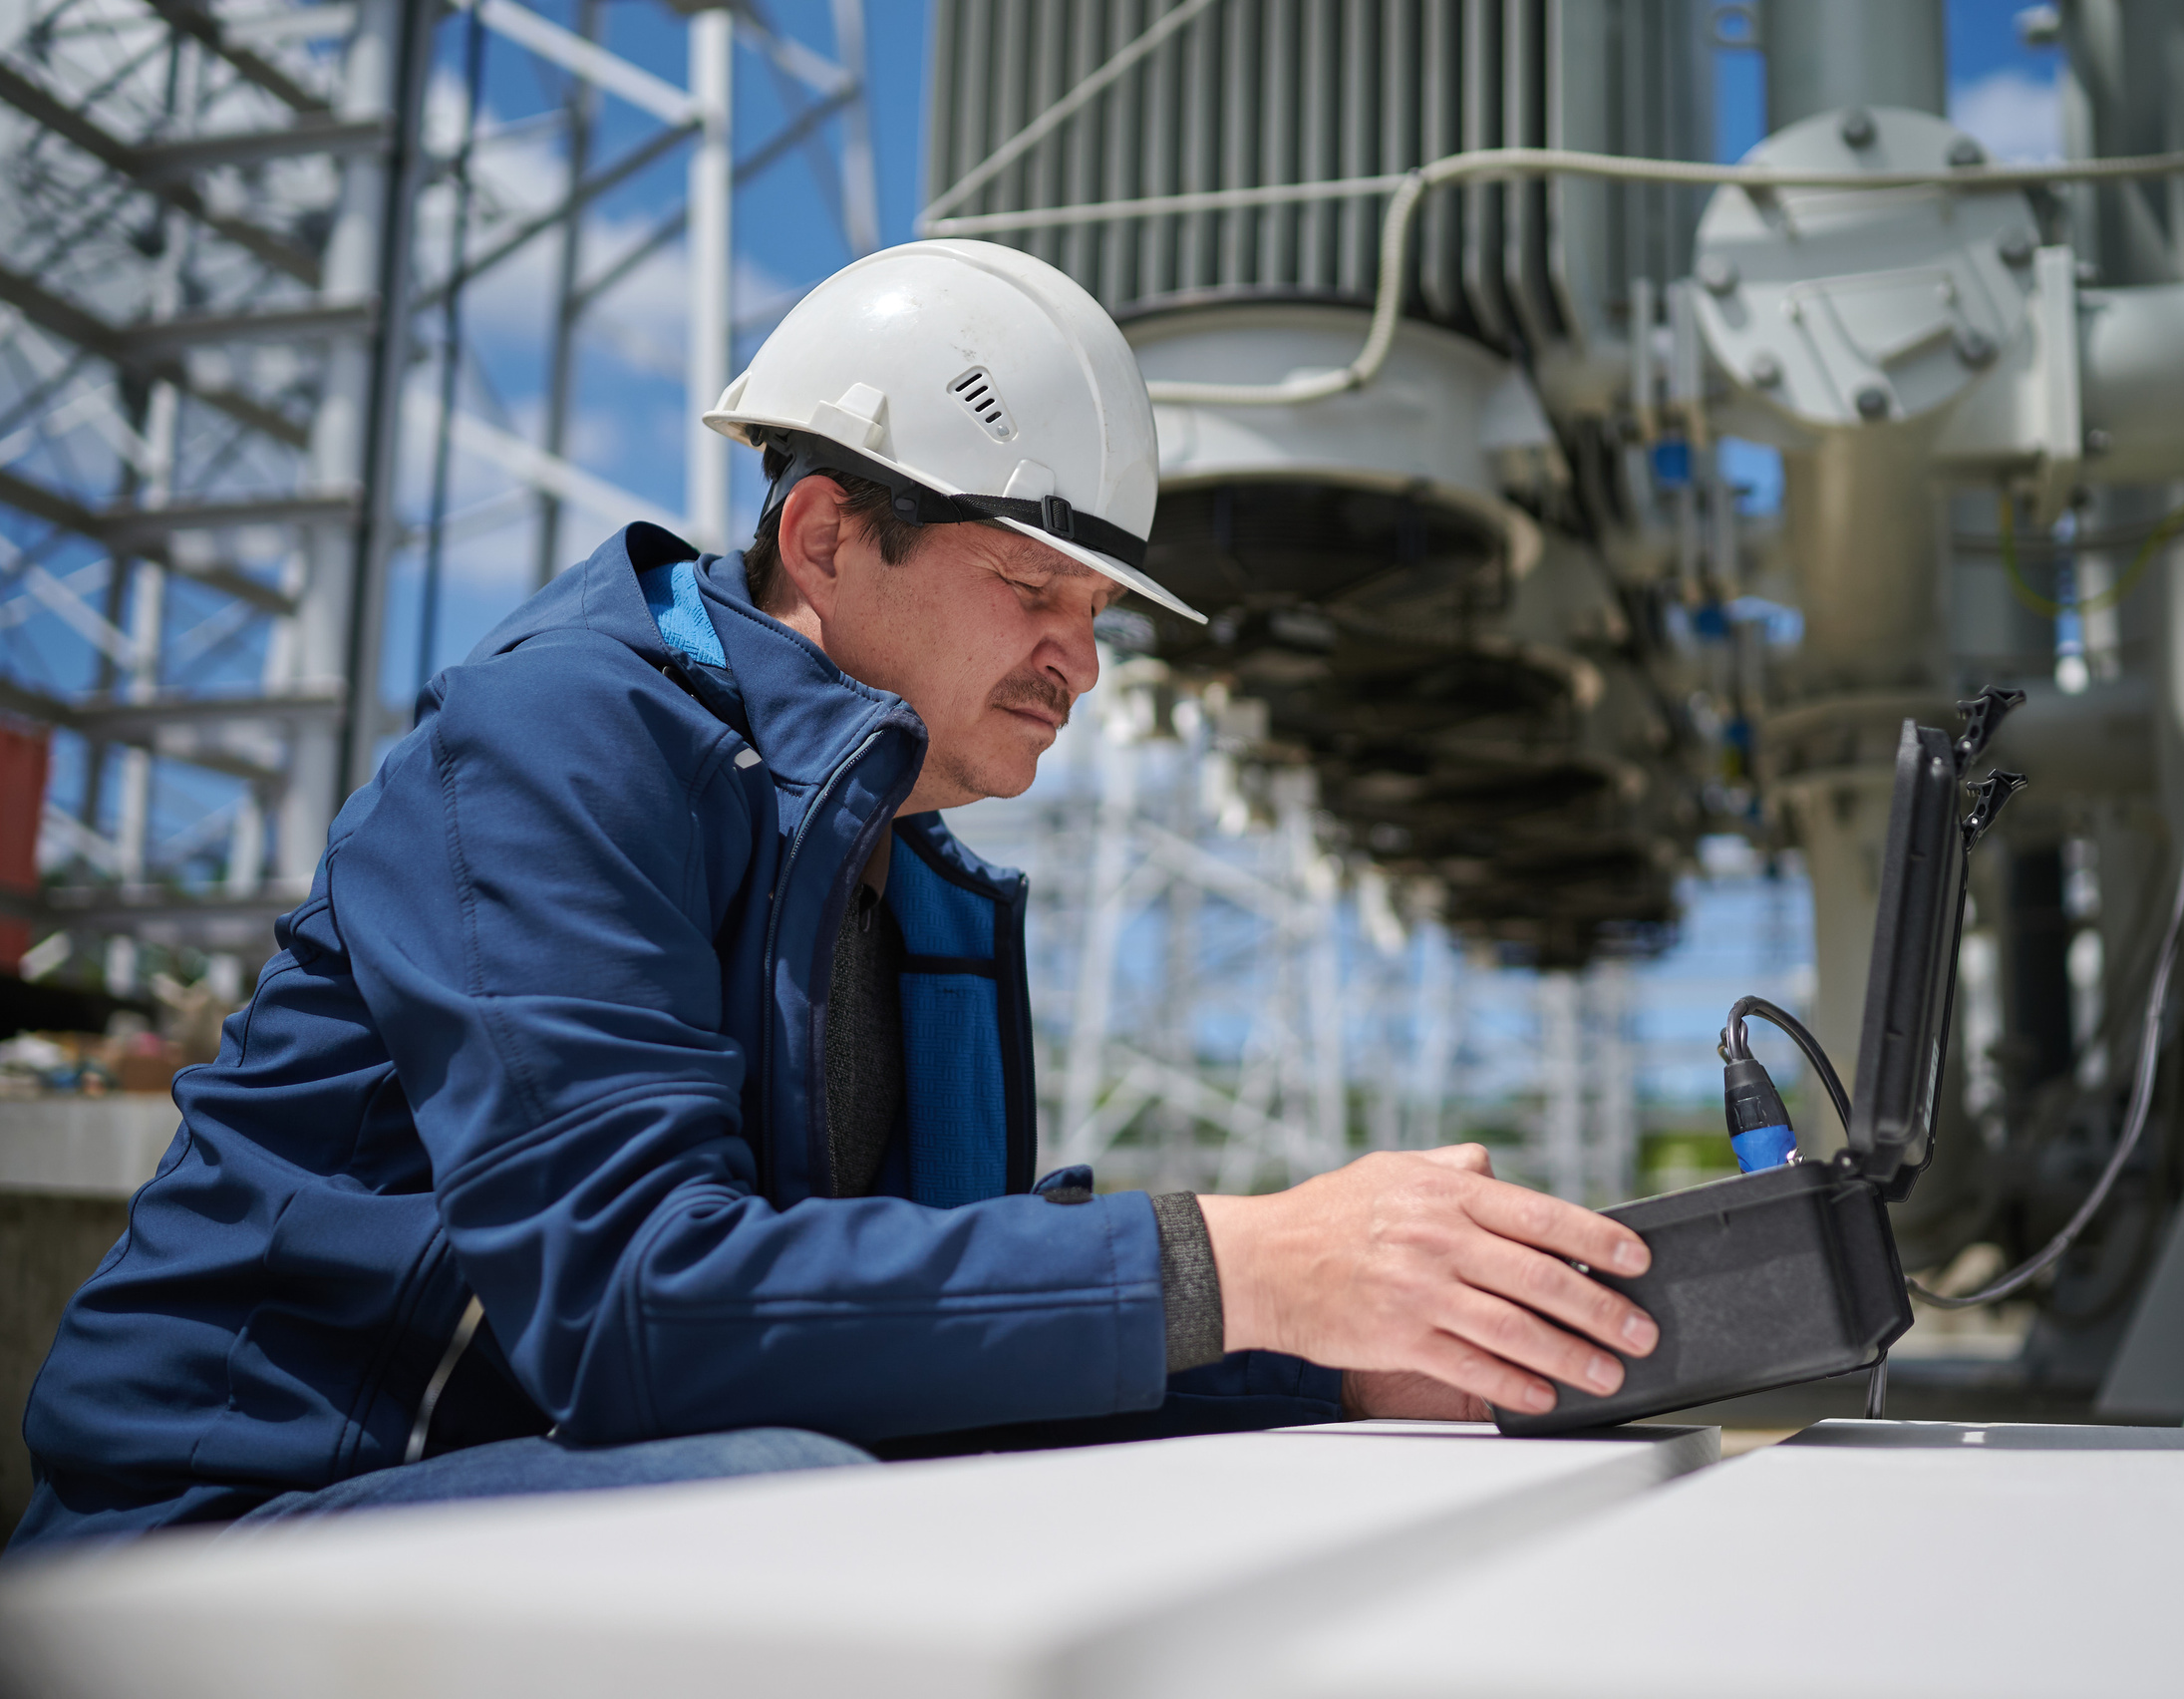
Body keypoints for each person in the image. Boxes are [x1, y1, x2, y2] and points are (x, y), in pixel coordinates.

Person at [8, 242, 1658, 1550]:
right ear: (822, 534)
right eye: (1029, 587)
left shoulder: (916, 887)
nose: (1077, 660)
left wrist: (1336, 1359)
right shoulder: (560, 745)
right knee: (807, 1511)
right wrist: (1243, 1262)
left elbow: (910, 1349)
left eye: (1098, 610)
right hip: (226, 1536)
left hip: (541, 1509)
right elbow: (635, 1304)